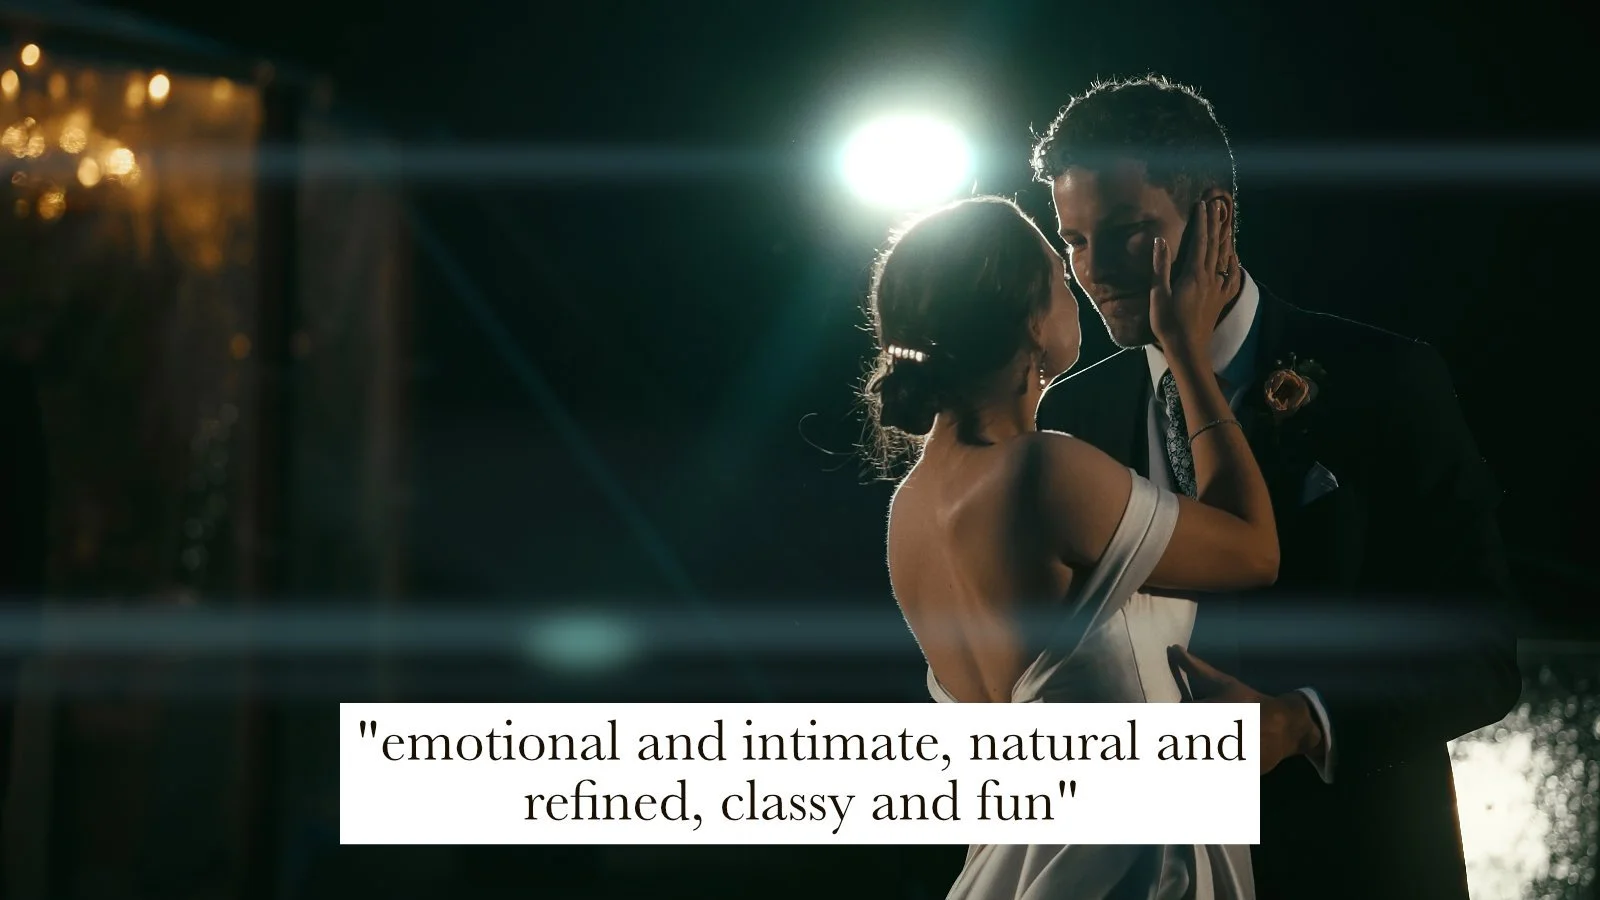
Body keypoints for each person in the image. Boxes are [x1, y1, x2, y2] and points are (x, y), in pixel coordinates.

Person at [1030, 74, 1521, 900]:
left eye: (1129, 233)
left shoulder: (1386, 379)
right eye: (1074, 241)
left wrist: (1300, 722)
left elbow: (1481, 658)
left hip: (1354, 861)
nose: (1096, 271)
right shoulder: (1074, 412)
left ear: (1215, 216)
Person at [862, 192, 1302, 899]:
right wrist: (1185, 352)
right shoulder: (1043, 470)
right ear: (1034, 324)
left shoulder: (908, 509)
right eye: (1061, 279)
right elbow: (1255, 551)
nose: (1083, 285)